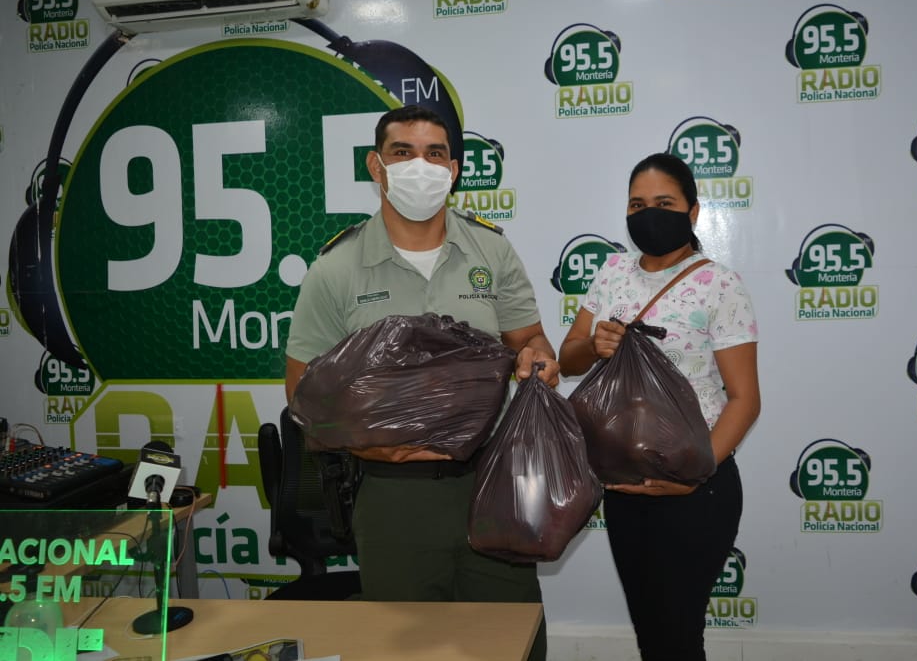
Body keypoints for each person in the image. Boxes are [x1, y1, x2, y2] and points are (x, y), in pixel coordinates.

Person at [285, 104, 557, 661]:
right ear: (375, 167)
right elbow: (301, 394)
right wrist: (378, 444)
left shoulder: (493, 251)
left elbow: (531, 340)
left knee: (512, 645)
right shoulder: (336, 268)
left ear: (454, 170)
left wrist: (539, 362)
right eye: (402, 152)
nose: (420, 165)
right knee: (402, 652)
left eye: (435, 153)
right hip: (392, 497)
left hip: (493, 486)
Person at [558, 152, 760, 661]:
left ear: (693, 213)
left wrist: (696, 473)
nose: (649, 213)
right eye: (637, 204)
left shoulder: (720, 284)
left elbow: (745, 399)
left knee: (678, 634)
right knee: (652, 634)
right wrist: (596, 343)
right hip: (625, 487)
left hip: (697, 490)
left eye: (664, 203)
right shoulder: (611, 273)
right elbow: (569, 357)